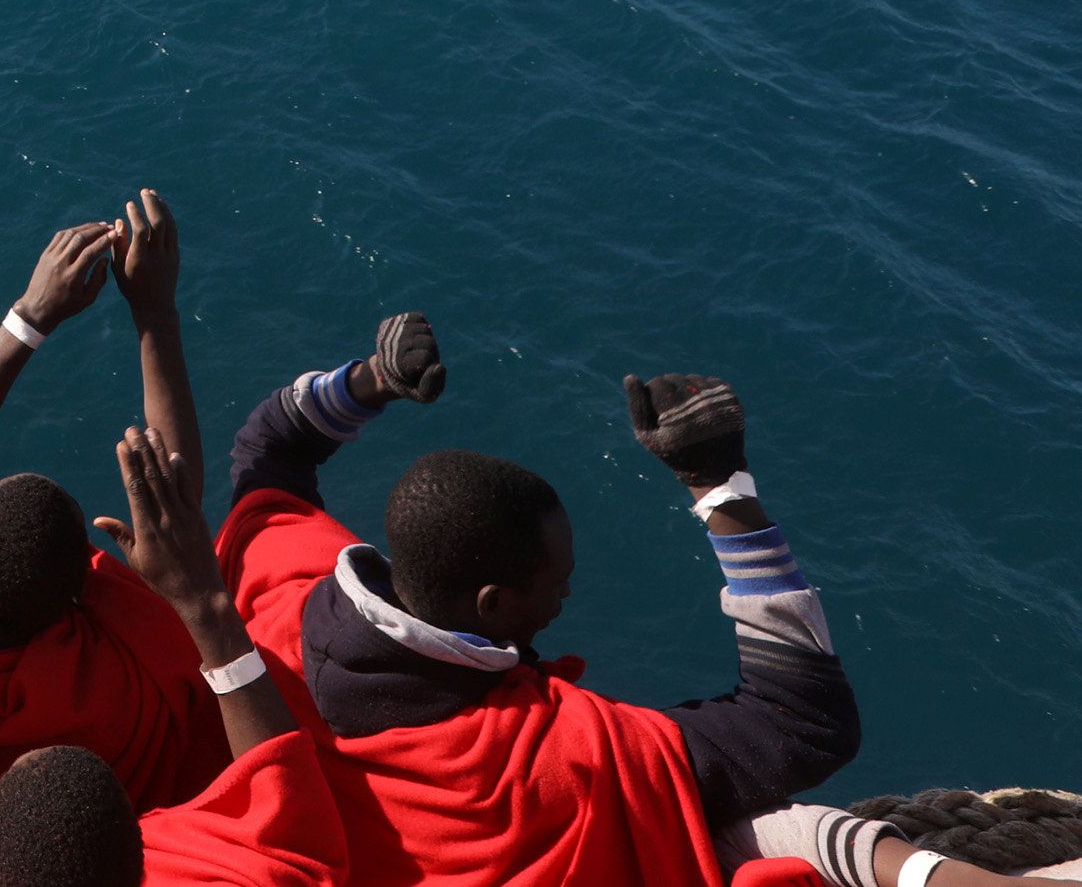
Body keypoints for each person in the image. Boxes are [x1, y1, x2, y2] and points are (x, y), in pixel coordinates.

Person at [216, 316, 893, 887]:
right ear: (491, 605)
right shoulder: (549, 762)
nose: (567, 592)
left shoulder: (281, 594)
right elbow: (804, 725)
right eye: (554, 581)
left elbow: (267, 451)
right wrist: (720, 486)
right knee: (771, 836)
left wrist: (368, 380)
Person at [0, 419, 338, 887]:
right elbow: (279, 808)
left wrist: (28, 323)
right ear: (145, 855)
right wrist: (157, 321)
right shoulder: (118, 679)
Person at [0, 194, 228, 830]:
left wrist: (30, 316)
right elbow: (178, 524)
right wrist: (155, 312)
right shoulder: (107, 682)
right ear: (84, 591)